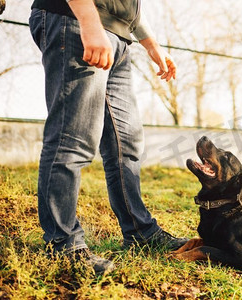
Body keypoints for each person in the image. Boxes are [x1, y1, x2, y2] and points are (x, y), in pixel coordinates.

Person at [28, 0, 188, 274]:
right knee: (73, 139)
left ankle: (141, 232)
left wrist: (152, 45)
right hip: (76, 19)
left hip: (119, 37)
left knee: (126, 144)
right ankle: (63, 244)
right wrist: (89, 24)